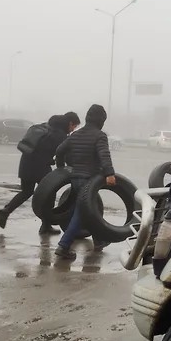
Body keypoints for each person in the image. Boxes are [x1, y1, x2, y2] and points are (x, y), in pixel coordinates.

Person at [0, 112, 80, 233]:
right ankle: (46, 225)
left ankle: (5, 211)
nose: (73, 130)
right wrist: (63, 171)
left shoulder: (45, 126)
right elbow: (63, 155)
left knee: (26, 191)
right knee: (50, 194)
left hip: (25, 162)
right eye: (74, 126)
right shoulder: (60, 135)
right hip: (40, 166)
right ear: (70, 123)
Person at [53, 104, 114, 261]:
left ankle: (99, 241)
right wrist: (109, 173)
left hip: (75, 178)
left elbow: (59, 151)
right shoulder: (100, 136)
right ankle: (63, 246)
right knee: (81, 213)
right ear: (101, 120)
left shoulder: (75, 135)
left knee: (86, 209)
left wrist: (62, 169)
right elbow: (104, 155)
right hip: (89, 181)